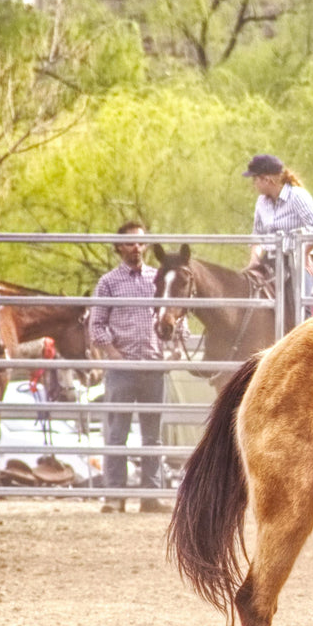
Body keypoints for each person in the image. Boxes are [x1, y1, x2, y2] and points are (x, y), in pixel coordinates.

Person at [88, 220, 188, 513]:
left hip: (153, 366)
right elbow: (97, 325)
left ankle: (150, 495)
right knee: (117, 432)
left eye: (140, 243)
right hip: (122, 367)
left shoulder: (158, 279)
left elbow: (178, 315)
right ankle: (115, 495)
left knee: (152, 433)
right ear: (119, 247)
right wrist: (112, 353)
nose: (136, 247)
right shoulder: (108, 283)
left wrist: (177, 345)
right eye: (130, 242)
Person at [243, 153, 313, 322]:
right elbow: (258, 234)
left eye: (255, 179)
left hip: (295, 261)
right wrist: (254, 259)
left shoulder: (297, 196)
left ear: (267, 179)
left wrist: (305, 252)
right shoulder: (261, 202)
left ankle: (303, 338)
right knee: (245, 290)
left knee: (299, 303)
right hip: (269, 260)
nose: (254, 184)